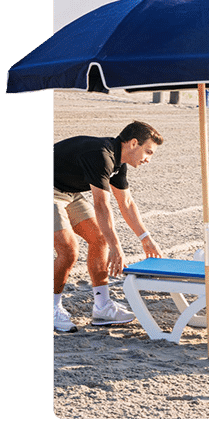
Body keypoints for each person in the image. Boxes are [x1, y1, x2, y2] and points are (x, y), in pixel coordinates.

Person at [53, 121, 164, 333]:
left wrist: (146, 238)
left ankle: (102, 306)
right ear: (133, 143)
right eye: (148, 151)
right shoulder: (101, 155)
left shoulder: (118, 162)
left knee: (99, 238)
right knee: (68, 250)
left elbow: (127, 203)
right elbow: (101, 205)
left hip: (67, 191)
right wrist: (116, 246)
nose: (148, 159)